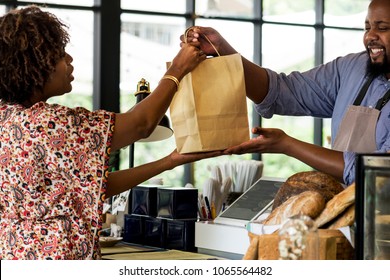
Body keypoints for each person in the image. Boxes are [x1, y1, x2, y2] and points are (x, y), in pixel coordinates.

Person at [0, 6, 220, 260]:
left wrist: (169, 162)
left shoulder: (7, 119)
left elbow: (94, 187)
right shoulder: (50, 123)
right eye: (60, 54)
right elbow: (142, 124)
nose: (69, 59)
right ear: (35, 65)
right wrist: (177, 70)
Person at [183, 0, 390, 186]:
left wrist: (287, 145)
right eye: (367, 27)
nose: (370, 36)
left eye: (382, 28)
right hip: (343, 215)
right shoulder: (352, 68)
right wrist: (222, 50)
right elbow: (282, 91)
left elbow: (374, 172)